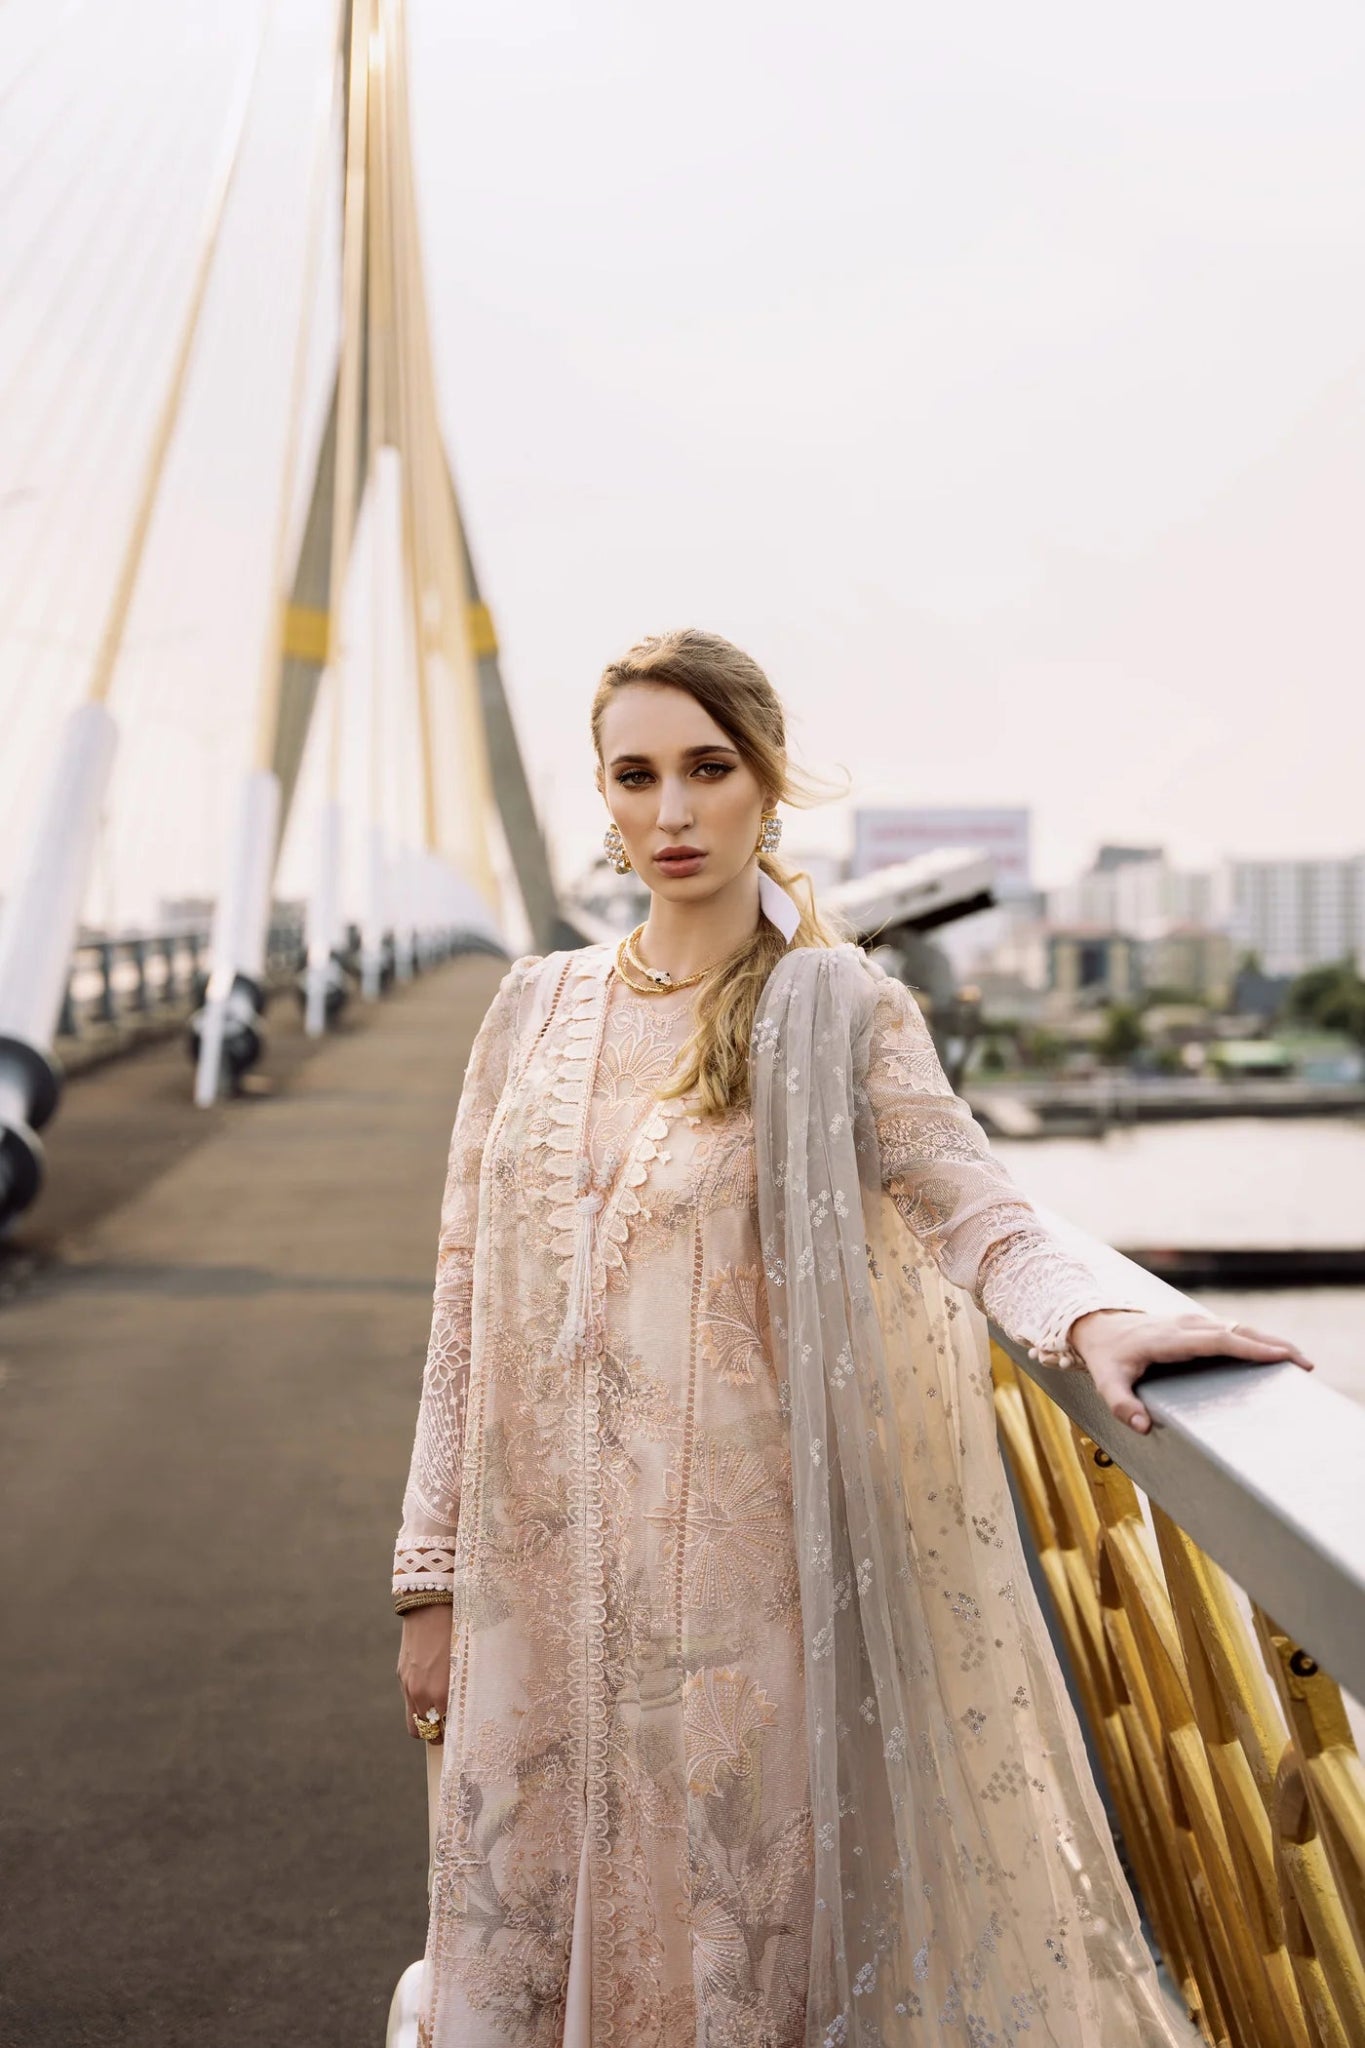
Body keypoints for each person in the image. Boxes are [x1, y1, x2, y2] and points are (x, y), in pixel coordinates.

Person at [391, 629, 1310, 2048]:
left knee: (734, 1945)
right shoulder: (530, 1009)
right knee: (541, 1933)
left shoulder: (838, 1009)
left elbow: (976, 1212)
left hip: (734, 1598)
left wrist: (1099, 1314)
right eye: (637, 777)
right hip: (539, 1593)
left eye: (708, 769)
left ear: (767, 782)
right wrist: (430, 1584)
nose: (674, 811)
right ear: (603, 797)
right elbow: (463, 1299)